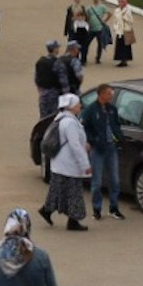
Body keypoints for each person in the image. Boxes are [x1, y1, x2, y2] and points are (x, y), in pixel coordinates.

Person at [41, 94, 92, 231]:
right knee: (74, 193)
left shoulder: (62, 118)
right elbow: (75, 146)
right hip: (69, 164)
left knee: (58, 189)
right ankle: (73, 221)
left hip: (60, 164)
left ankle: (47, 210)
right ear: (71, 106)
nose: (80, 106)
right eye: (78, 104)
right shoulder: (70, 123)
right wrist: (85, 165)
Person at [80, 83, 125, 220]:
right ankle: (96, 209)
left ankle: (114, 208)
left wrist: (119, 138)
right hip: (98, 149)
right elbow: (84, 127)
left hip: (111, 147)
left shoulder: (112, 109)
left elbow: (116, 124)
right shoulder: (91, 110)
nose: (111, 96)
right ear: (101, 94)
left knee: (115, 180)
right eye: (109, 93)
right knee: (97, 181)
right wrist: (92, 140)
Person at [33, 41, 64, 120]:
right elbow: (63, 79)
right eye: (57, 47)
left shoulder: (40, 61)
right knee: (54, 116)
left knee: (43, 116)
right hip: (54, 92)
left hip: (43, 92)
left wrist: (39, 88)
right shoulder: (58, 62)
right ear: (54, 49)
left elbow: (36, 77)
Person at [108, 0, 136, 67]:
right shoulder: (116, 10)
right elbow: (115, 20)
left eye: (122, 2)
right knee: (119, 45)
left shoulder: (128, 10)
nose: (120, 3)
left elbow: (131, 21)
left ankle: (125, 60)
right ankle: (121, 59)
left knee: (126, 46)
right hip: (119, 30)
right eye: (119, 2)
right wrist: (115, 27)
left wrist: (125, 17)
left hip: (126, 30)